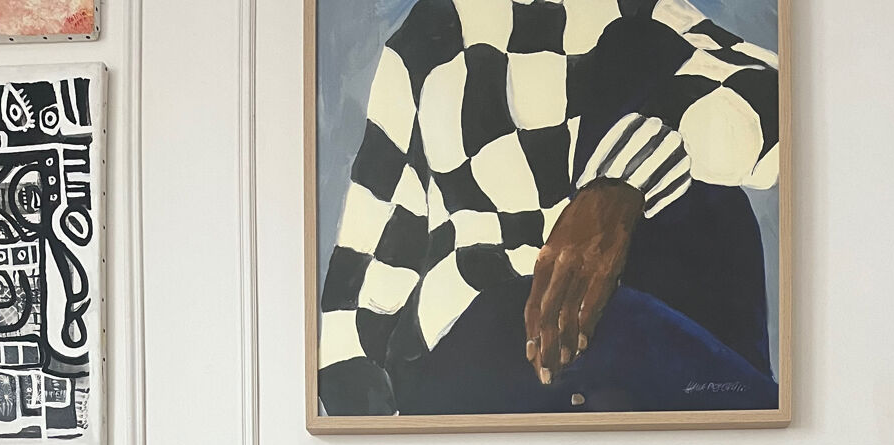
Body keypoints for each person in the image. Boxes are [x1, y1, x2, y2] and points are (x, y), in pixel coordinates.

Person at [318, 0, 779, 417]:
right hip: (478, 357)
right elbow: (361, 284)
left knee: (651, 68)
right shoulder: (431, 35)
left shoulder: (635, 14)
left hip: (628, 343)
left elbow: (772, 95)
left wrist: (620, 186)